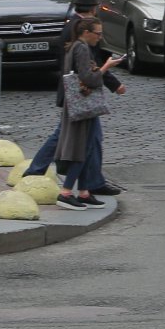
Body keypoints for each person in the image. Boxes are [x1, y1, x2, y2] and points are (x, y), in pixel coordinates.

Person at [22, 0, 126, 195]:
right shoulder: (83, 31)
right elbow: (89, 67)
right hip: (79, 94)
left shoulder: (72, 25)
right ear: (93, 8)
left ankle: (89, 183)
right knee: (69, 137)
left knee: (90, 138)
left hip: (74, 92)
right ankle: (64, 183)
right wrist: (113, 83)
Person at [54, 18, 121, 210]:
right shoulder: (81, 48)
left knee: (88, 147)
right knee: (80, 149)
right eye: (98, 34)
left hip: (79, 105)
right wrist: (107, 66)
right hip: (82, 106)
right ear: (86, 33)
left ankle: (84, 192)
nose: (100, 38)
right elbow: (88, 78)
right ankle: (66, 192)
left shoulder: (76, 46)